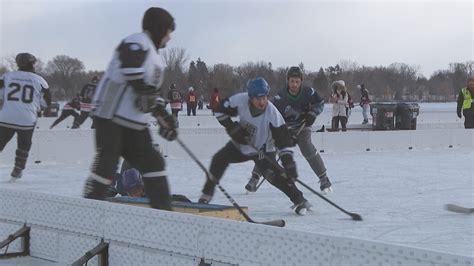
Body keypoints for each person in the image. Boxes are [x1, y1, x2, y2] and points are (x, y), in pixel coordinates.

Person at [82, 7, 178, 211]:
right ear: (159, 28)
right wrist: (143, 91)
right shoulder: (138, 41)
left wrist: (164, 118)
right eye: (168, 32)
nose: (169, 38)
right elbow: (129, 63)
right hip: (111, 117)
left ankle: (164, 215)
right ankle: (89, 208)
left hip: (135, 123)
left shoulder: (157, 61)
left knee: (154, 164)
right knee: (107, 163)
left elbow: (153, 95)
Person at [198, 77, 311, 215]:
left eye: (264, 98)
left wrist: (289, 163)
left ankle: (299, 200)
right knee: (218, 159)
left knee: (275, 176)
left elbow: (283, 141)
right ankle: (206, 196)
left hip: (262, 149)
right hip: (242, 143)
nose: (262, 102)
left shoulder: (272, 113)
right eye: (258, 98)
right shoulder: (239, 100)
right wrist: (233, 129)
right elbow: (219, 110)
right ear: (250, 97)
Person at [245, 66, 332, 194]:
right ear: (288, 81)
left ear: (301, 81)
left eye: (297, 81)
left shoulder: (309, 92)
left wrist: (312, 113)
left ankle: (323, 178)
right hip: (285, 128)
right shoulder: (280, 97)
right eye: (292, 81)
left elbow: (319, 104)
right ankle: (255, 177)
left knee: (306, 145)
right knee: (269, 147)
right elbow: (273, 118)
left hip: (303, 126)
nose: (294, 84)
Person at [0, 52, 51, 179]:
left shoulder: (7, 76)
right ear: (32, 63)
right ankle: (18, 168)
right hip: (27, 119)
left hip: (6, 116)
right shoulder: (40, 80)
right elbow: (46, 102)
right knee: (24, 143)